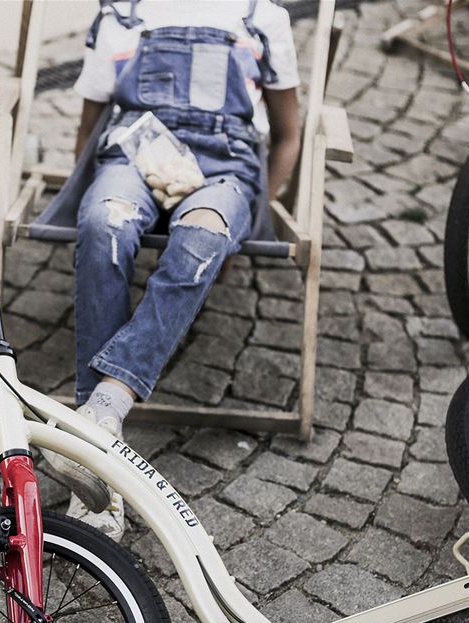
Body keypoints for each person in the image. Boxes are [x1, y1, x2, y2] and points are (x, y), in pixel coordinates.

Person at [44, 0, 302, 537]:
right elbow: (90, 130)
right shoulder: (123, 12)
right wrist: (86, 193)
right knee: (104, 225)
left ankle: (98, 419)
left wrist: (250, 223)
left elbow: (288, 134)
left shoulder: (262, 15)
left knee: (203, 237)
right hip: (135, 152)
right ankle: (98, 455)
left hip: (223, 164)